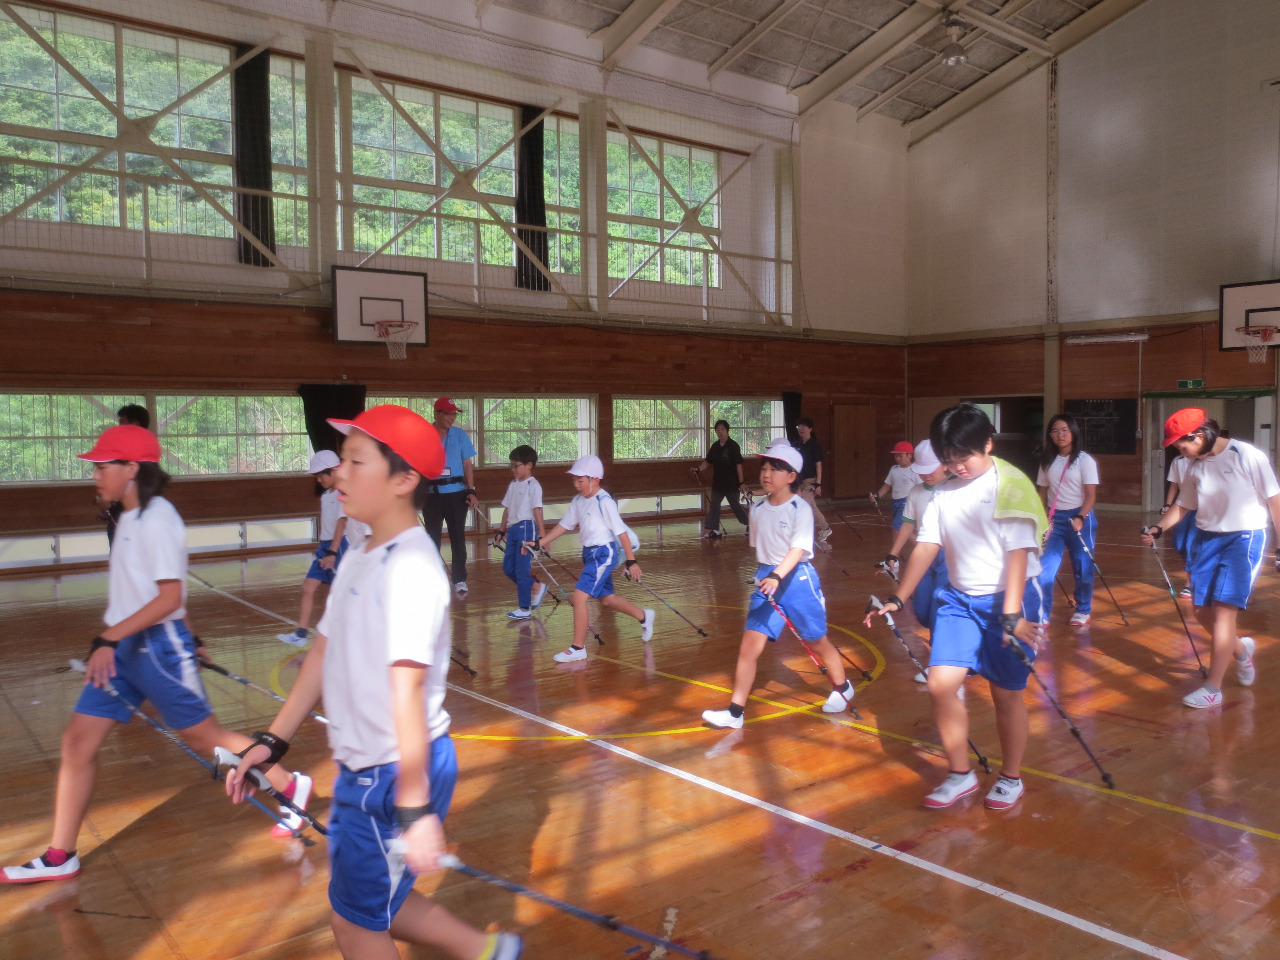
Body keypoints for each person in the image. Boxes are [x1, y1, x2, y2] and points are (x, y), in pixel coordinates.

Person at [225, 405, 523, 960]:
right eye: (342, 461)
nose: (340, 473)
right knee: (369, 907)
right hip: (368, 768)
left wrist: (413, 808)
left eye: (356, 462)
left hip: (395, 772)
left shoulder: (411, 567)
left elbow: (405, 693)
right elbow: (323, 650)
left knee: (354, 926)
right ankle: (488, 952)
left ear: (404, 480)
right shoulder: (363, 554)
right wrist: (272, 742)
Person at [3, 426, 312, 883]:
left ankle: (291, 786)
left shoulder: (160, 518)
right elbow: (147, 592)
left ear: (132, 469)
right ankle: (58, 855)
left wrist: (123, 638)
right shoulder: (126, 517)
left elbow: (169, 598)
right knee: (76, 742)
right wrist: (126, 638)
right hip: (121, 650)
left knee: (205, 737)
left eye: (102, 466)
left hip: (156, 649)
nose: (94, 474)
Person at [865, 403, 1047, 811]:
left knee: (1005, 695)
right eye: (949, 459)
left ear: (987, 444)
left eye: (964, 457)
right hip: (960, 600)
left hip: (1008, 599)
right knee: (940, 684)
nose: (957, 467)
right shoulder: (942, 493)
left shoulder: (1010, 485)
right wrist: (899, 596)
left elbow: (1018, 555)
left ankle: (1011, 778)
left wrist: (1013, 615)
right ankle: (960, 774)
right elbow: (927, 545)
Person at [701, 444, 851, 729]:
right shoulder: (757, 510)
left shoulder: (801, 509)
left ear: (791, 476)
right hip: (767, 579)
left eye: (774, 469)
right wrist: (768, 574)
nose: (766, 474)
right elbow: (758, 548)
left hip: (797, 580)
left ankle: (843, 689)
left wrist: (777, 576)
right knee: (749, 647)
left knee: (817, 640)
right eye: (764, 468)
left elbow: (797, 550)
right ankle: (735, 713)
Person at [1142, 408, 1280, 709]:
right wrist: (1158, 528)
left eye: (1182, 444)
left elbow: (1274, 500)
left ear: (1201, 436)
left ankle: (1213, 688)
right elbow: (1184, 505)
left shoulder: (1247, 456)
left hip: (1243, 539)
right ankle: (1241, 650)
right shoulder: (1194, 466)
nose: (1180, 451)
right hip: (1206, 539)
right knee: (1201, 612)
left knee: (1223, 614)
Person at [534, 455, 653, 663]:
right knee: (607, 599)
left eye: (581, 480)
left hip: (603, 554)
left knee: (579, 597)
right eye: (574, 480)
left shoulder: (604, 501)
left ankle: (578, 648)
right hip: (589, 554)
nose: (576, 485)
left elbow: (621, 533)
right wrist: (540, 543)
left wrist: (631, 561)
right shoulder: (578, 501)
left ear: (595, 480)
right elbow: (564, 525)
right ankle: (643, 616)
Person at [881, 440, 950, 682]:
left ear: (944, 464)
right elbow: (907, 523)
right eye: (922, 469)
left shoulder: (956, 490)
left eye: (931, 468)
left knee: (941, 610)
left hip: (950, 558)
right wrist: (893, 552)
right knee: (922, 611)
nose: (926, 474)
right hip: (923, 556)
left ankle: (939, 663)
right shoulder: (917, 492)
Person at [277, 450, 349, 647]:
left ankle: (341, 636)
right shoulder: (326, 495)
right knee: (308, 588)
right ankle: (301, 634)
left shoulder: (343, 494)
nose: (319, 480)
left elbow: (341, 524)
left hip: (338, 546)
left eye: (321, 475)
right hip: (324, 546)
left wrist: (333, 552)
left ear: (334, 471)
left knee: (339, 594)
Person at [1035, 414, 1099, 626]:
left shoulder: (1084, 460)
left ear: (1073, 432)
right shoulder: (1047, 460)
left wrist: (1081, 516)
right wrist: (1040, 516)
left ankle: (1083, 609)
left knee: (1082, 567)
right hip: (1055, 520)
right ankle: (1042, 612)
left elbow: (1090, 495)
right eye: (1055, 431)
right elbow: (1043, 492)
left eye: (1064, 430)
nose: (1060, 435)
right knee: (1045, 568)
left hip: (1080, 518)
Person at [422, 398, 480, 595]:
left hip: (456, 493)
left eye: (454, 414)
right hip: (431, 495)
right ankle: (432, 578)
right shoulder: (424, 434)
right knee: (432, 539)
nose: (452, 418)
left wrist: (471, 490)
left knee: (458, 537)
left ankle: (459, 579)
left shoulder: (460, 434)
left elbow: (467, 465)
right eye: (448, 414)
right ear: (437, 413)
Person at [496, 444, 547, 621]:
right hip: (513, 530)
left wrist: (542, 536)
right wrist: (501, 531)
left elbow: (537, 511)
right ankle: (537, 587)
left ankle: (524, 608)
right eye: (511, 465)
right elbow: (507, 509)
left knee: (521, 570)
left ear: (529, 465)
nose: (513, 469)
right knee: (508, 568)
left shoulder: (534, 485)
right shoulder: (513, 484)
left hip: (527, 528)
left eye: (516, 465)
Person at [100, 404, 152, 545]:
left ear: (135, 424)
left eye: (122, 422)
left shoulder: (144, 450)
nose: (119, 426)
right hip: (121, 510)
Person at [696, 419, 749, 538]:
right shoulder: (715, 446)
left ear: (727, 431)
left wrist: (741, 482)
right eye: (717, 430)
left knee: (735, 504)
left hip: (731, 482)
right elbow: (707, 461)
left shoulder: (733, 446)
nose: (720, 432)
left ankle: (750, 523)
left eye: (722, 429)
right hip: (718, 482)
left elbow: (738, 465)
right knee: (714, 504)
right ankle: (715, 529)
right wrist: (698, 469)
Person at [793, 417, 831, 542]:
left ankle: (822, 528)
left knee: (805, 504)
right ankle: (822, 528)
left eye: (804, 426)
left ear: (810, 429)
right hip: (798, 481)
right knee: (808, 506)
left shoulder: (815, 445)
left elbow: (818, 465)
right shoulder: (796, 444)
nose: (801, 429)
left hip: (810, 481)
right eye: (799, 426)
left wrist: (818, 483)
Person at [1164, 453, 1195, 598]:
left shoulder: (1203, 460)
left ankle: (1189, 583)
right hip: (1183, 506)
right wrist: (1168, 505)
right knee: (1179, 542)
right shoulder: (1178, 461)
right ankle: (1194, 572)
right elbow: (1174, 485)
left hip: (1201, 507)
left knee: (1190, 545)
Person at [872, 441, 922, 531]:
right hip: (895, 502)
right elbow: (887, 485)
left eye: (900, 456)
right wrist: (877, 496)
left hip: (906, 502)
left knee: (897, 527)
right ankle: (912, 544)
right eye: (896, 456)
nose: (898, 458)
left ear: (909, 455)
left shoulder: (915, 470)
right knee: (899, 529)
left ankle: (902, 545)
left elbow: (921, 487)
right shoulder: (893, 469)